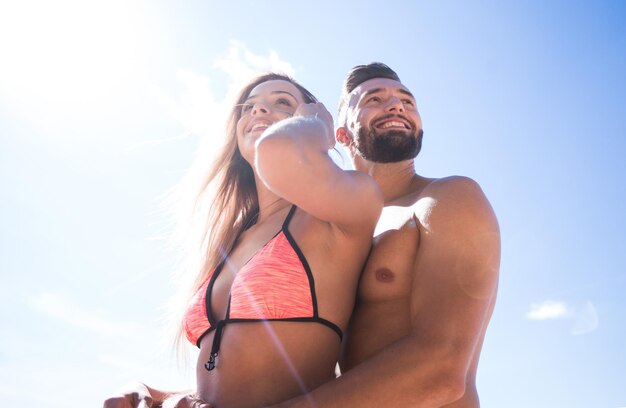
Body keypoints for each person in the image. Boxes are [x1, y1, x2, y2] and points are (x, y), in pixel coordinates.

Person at [103, 73, 383, 407]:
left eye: (282, 102)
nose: (259, 111)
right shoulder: (232, 237)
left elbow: (277, 150)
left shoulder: (344, 208)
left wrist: (318, 125)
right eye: (249, 107)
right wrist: (154, 394)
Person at [270, 63, 501, 407]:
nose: (396, 106)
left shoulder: (449, 198)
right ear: (342, 134)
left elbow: (442, 369)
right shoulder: (330, 231)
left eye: (407, 101)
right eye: (374, 99)